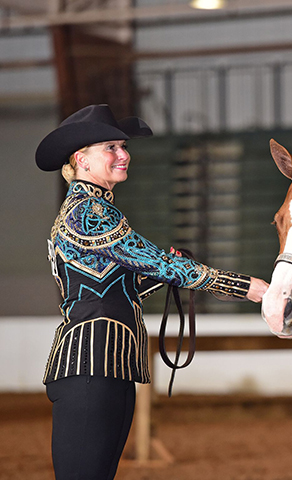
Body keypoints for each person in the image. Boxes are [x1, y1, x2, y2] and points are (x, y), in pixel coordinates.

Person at [35, 104, 269, 480]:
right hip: (90, 369)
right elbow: (158, 262)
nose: (123, 155)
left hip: (106, 368)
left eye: (122, 147)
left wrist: (163, 273)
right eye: (110, 147)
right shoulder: (86, 212)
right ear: (82, 160)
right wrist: (247, 287)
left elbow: (118, 287)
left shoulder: (97, 210)